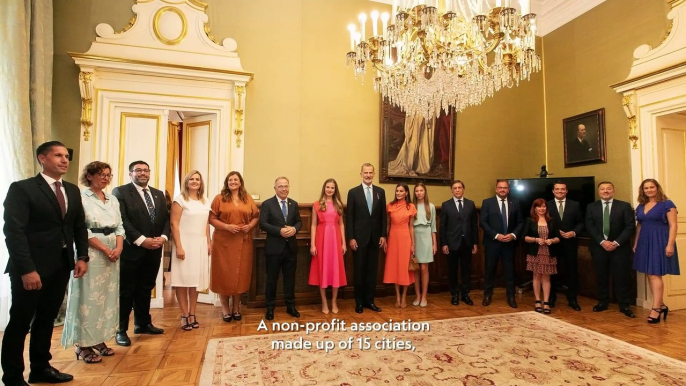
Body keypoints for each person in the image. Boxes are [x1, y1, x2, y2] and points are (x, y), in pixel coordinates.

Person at [2, 141, 89, 385]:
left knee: (46, 319)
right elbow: (14, 232)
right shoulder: (23, 188)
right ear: (42, 158)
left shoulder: (72, 190)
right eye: (58, 155)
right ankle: (12, 376)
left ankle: (40, 369)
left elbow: (78, 226)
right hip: (30, 269)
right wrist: (28, 270)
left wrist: (82, 256)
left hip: (61, 266)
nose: (64, 160)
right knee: (20, 323)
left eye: (66, 155)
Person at [62, 162, 124, 364]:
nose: (105, 178)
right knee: (88, 299)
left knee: (106, 299)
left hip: (113, 254)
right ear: (89, 176)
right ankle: (83, 344)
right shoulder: (80, 197)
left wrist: (118, 248)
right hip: (90, 252)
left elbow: (120, 226)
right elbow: (80, 228)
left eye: (108, 174)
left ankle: (99, 340)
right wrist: (105, 249)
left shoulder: (112, 199)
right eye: (101, 174)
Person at [112, 161, 170, 346]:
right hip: (132, 249)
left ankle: (143, 323)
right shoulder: (120, 192)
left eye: (146, 170)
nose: (142, 173)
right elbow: (123, 220)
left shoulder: (158, 194)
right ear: (130, 174)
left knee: (146, 287)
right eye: (138, 170)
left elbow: (166, 219)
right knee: (127, 290)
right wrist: (141, 240)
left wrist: (163, 237)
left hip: (154, 248)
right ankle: (121, 330)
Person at [208, 171, 259, 323]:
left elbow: (256, 216)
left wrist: (249, 225)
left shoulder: (247, 198)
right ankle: (225, 308)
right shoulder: (219, 198)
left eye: (236, 179)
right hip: (223, 243)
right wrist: (226, 226)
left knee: (240, 275)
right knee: (224, 275)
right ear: (227, 182)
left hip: (243, 242)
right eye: (230, 179)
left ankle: (237, 307)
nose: (233, 182)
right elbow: (211, 218)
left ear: (240, 182)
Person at [585, 181, 636, 318]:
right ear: (599, 191)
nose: (605, 191)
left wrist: (616, 242)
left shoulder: (624, 206)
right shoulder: (591, 207)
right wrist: (602, 242)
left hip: (620, 248)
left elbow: (630, 226)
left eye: (608, 189)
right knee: (601, 276)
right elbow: (590, 226)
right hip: (599, 247)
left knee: (622, 277)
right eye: (602, 189)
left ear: (613, 190)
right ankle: (602, 302)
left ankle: (624, 305)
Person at [632, 179, 679, 323]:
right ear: (643, 190)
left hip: (660, 241)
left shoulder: (667, 204)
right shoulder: (641, 206)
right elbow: (640, 225)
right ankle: (662, 305)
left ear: (657, 188)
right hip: (644, 241)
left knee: (654, 273)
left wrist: (670, 244)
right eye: (646, 188)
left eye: (652, 187)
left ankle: (656, 308)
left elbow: (673, 225)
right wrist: (636, 243)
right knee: (649, 273)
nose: (649, 190)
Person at [170, 171, 211, 330]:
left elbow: (206, 223)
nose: (195, 182)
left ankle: (193, 313)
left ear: (201, 182)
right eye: (192, 179)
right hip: (184, 244)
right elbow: (174, 224)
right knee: (182, 281)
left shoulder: (205, 200)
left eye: (197, 179)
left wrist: (208, 241)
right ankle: (184, 315)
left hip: (200, 244)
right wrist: (179, 246)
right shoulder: (180, 200)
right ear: (186, 182)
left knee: (195, 282)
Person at [259, 176, 303, 320]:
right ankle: (270, 308)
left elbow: (299, 222)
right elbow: (263, 224)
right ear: (275, 188)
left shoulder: (294, 204)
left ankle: (290, 306)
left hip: (290, 248)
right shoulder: (267, 204)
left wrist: (295, 229)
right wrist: (279, 231)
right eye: (280, 186)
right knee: (271, 280)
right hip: (274, 248)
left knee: (290, 279)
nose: (284, 189)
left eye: (286, 186)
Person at [346, 163, 387, 314]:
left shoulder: (380, 192)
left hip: (375, 239)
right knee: (359, 271)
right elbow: (349, 217)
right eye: (366, 173)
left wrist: (383, 235)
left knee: (372, 271)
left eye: (371, 172)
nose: (368, 175)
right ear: (361, 174)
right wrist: (351, 237)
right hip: (359, 239)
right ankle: (359, 302)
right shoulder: (353, 193)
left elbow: (383, 216)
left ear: (374, 174)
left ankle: (370, 301)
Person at [480, 179, 524, 308]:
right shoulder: (487, 202)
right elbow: (483, 222)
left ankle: (511, 297)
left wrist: (513, 235)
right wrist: (496, 235)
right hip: (492, 242)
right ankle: (487, 295)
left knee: (509, 271)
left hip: (509, 243)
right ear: (496, 189)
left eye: (505, 188)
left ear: (508, 189)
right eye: (500, 187)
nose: (502, 190)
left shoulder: (515, 203)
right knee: (490, 270)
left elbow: (521, 222)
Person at [309, 178, 347, 314]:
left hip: (335, 239)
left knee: (335, 270)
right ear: (324, 188)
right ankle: (324, 302)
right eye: (327, 187)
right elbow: (313, 224)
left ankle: (334, 302)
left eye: (332, 187)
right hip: (321, 239)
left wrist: (344, 243)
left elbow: (341, 224)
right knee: (322, 269)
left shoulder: (338, 205)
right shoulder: (317, 204)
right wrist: (313, 244)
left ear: (335, 190)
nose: (329, 189)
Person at [440, 180, 478, 306]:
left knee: (466, 270)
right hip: (452, 243)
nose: (457, 190)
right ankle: (454, 294)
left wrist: (475, 243)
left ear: (463, 189)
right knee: (453, 270)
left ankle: (465, 294)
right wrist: (444, 243)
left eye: (459, 188)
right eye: (455, 188)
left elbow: (474, 225)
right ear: (451, 190)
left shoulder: (470, 204)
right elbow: (443, 226)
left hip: (467, 242)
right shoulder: (446, 205)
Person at [547, 182, 584, 311]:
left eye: (563, 189)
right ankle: (551, 298)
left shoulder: (575, 205)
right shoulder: (546, 205)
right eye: (557, 189)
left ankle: (572, 299)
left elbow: (580, 223)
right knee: (551, 272)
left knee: (571, 272)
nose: (560, 191)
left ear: (567, 191)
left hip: (570, 243)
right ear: (553, 191)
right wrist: (556, 235)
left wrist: (573, 232)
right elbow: (543, 223)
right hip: (552, 243)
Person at [523, 199, 561, 314]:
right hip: (535, 252)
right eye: (539, 207)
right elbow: (524, 237)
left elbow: (558, 237)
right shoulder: (529, 221)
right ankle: (537, 300)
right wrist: (535, 239)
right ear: (534, 208)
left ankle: (546, 302)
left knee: (546, 278)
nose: (541, 209)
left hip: (548, 252)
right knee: (536, 277)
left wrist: (552, 240)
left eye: (544, 206)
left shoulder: (552, 221)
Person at [383, 183, 416, 308]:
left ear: (406, 193)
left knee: (404, 268)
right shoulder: (390, 206)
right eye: (397, 191)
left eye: (401, 191)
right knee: (395, 268)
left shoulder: (411, 207)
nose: (398, 193)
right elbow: (387, 225)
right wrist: (385, 240)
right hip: (393, 237)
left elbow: (411, 227)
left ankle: (404, 297)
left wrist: (413, 244)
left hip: (405, 237)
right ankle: (397, 297)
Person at [412, 183, 436, 307]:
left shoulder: (430, 206)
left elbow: (433, 227)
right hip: (414, 237)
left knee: (424, 268)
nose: (419, 193)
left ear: (425, 192)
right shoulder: (411, 206)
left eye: (421, 190)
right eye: (417, 191)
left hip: (426, 237)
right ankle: (417, 296)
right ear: (414, 193)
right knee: (416, 268)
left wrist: (434, 244)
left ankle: (424, 297)